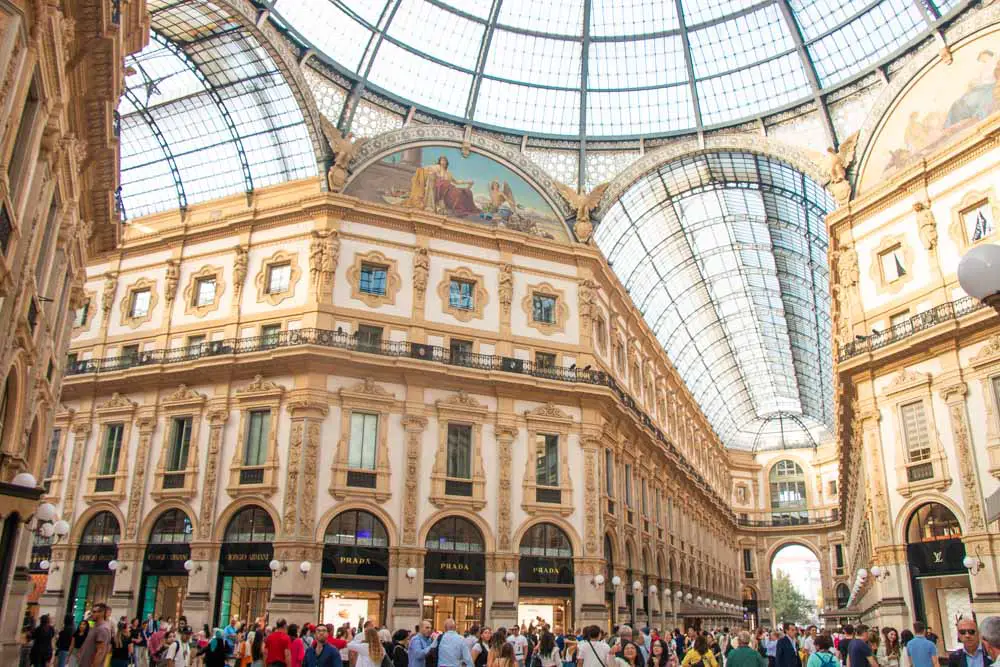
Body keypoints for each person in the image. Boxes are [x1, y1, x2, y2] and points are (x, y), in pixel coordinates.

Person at [79, 603, 114, 667]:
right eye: (92, 611)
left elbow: (100, 652)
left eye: (94, 612)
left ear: (102, 613)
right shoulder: (95, 626)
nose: (92, 614)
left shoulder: (103, 629)